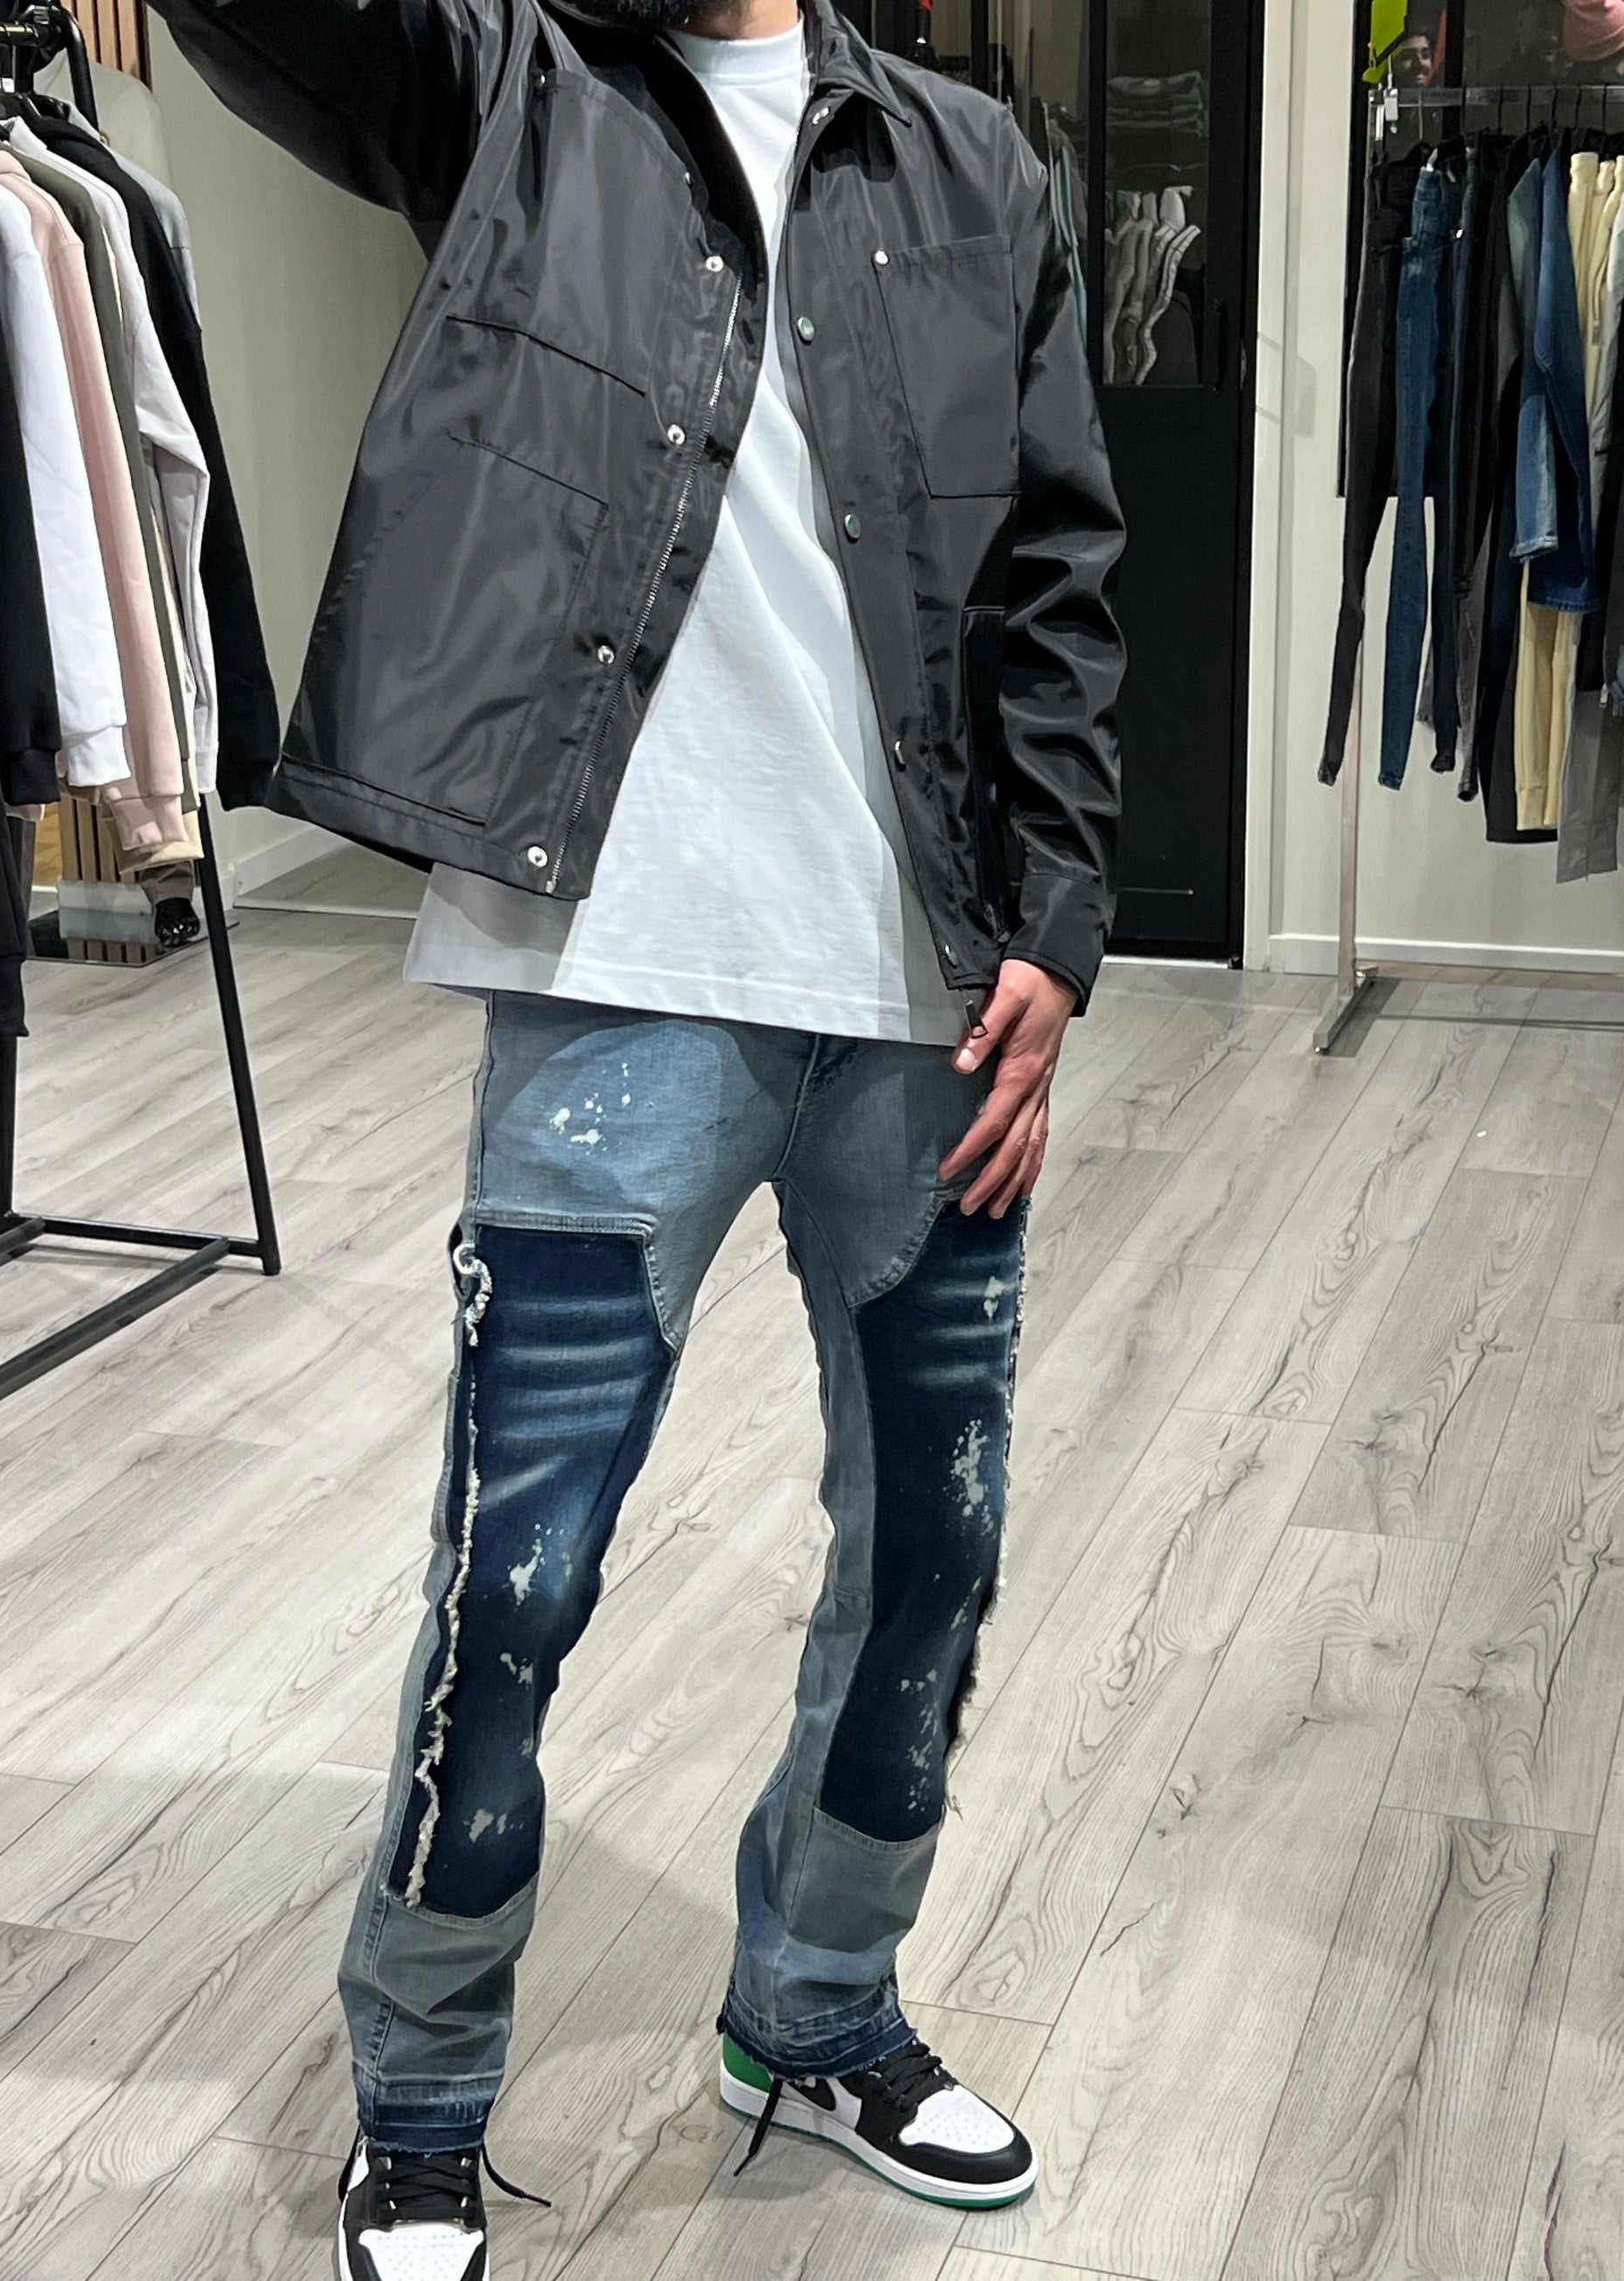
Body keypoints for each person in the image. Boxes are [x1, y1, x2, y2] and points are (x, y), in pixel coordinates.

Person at [149, 0, 1125, 2273]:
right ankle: (419, 2092)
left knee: (934, 1551)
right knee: (516, 1577)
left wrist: (1063, 924)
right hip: (615, 980)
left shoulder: (979, 171)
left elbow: (1057, 574)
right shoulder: (509, 83)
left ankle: (818, 2004)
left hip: (924, 996)